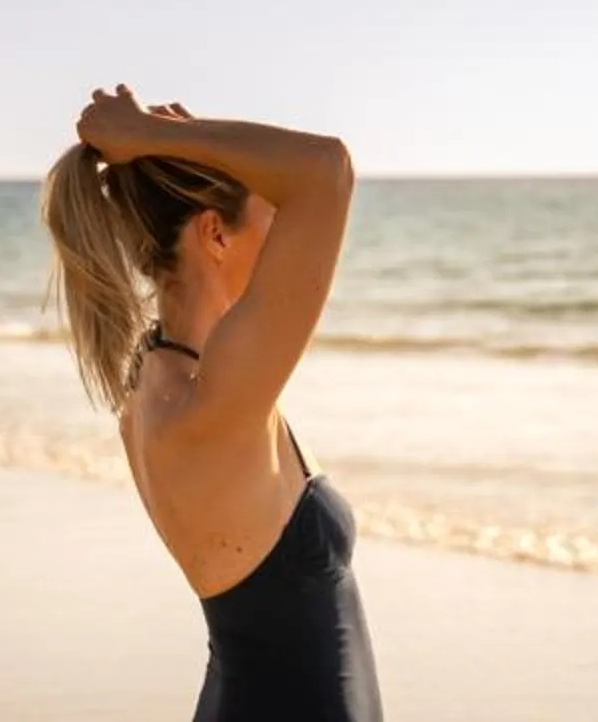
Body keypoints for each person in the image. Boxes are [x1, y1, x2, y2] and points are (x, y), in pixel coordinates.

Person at [42, 88, 383, 722]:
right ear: (214, 233)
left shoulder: (151, 388)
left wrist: (173, 144)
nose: (286, 238)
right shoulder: (216, 401)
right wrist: (152, 137)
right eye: (271, 219)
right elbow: (325, 170)